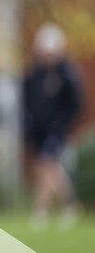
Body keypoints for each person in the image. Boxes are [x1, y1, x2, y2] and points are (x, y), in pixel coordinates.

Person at [22, 22, 83, 229]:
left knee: (46, 165)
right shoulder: (34, 76)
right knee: (48, 170)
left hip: (57, 129)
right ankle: (68, 206)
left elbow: (75, 105)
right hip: (39, 131)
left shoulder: (66, 75)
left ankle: (41, 211)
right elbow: (28, 104)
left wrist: (63, 126)